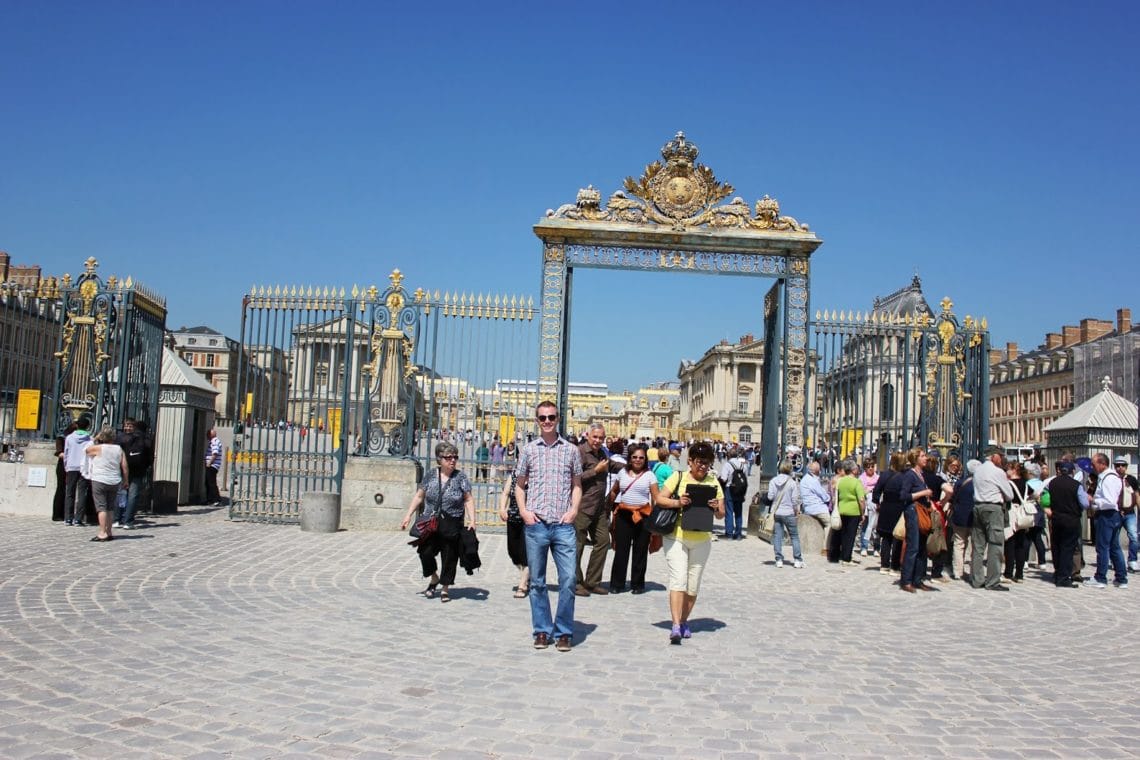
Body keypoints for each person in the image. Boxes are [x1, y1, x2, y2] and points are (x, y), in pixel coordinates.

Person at [515, 401, 583, 652]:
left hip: (563, 525)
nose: (547, 421)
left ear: (558, 418)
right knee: (538, 582)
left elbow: (577, 484)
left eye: (551, 417)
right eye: (542, 417)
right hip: (537, 524)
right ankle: (542, 630)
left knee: (568, 580)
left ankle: (563, 631)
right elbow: (520, 485)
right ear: (536, 420)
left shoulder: (571, 451)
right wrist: (524, 512)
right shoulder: (529, 450)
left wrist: (574, 510)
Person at [655, 441, 723, 644]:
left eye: (707, 462)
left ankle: (684, 621)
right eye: (700, 462)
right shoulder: (678, 477)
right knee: (679, 579)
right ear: (690, 461)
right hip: (677, 536)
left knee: (693, 586)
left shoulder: (713, 481)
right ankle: (675, 625)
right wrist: (678, 502)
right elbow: (660, 499)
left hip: (701, 539)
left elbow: (721, 515)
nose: (703, 466)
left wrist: (715, 507)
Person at [400, 442, 476, 603]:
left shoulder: (460, 477)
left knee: (449, 557)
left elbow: (468, 499)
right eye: (448, 457)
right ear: (439, 459)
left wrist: (472, 519)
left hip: (452, 523)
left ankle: (445, 587)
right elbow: (419, 496)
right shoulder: (430, 475)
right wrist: (408, 515)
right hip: (431, 522)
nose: (453, 460)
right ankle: (434, 578)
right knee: (424, 552)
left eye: (455, 457)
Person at [574, 423, 619, 596]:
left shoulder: (602, 453)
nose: (598, 440)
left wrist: (634, 466)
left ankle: (592, 582)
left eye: (601, 437)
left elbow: (612, 465)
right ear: (588, 436)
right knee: (577, 545)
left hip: (599, 507)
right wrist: (595, 470)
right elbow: (573, 477)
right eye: (595, 437)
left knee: (603, 541)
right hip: (582, 506)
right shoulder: (579, 452)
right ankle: (575, 582)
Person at [608, 444, 659, 594]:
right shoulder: (622, 473)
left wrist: (656, 516)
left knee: (640, 550)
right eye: (635, 457)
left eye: (641, 458)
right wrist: (609, 508)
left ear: (645, 459)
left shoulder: (650, 475)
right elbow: (614, 491)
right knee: (621, 550)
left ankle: (637, 584)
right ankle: (617, 583)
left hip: (643, 515)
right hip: (624, 514)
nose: (638, 460)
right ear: (630, 458)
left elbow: (656, 497)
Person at [971, 445, 1014, 591]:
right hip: (993, 508)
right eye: (1000, 456)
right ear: (994, 456)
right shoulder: (997, 472)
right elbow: (1010, 495)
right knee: (995, 544)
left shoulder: (978, 470)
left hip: (977, 506)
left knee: (978, 546)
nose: (1001, 459)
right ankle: (992, 581)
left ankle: (977, 579)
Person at [1086, 453, 1128, 589]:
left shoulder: (1108, 478)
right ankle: (1121, 578)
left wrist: (1094, 500)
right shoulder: (1110, 477)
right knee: (1114, 547)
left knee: (1103, 547)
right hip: (1113, 515)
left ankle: (1101, 577)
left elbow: (1110, 501)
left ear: (1102, 463)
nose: (1092, 467)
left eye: (1094, 464)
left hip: (1107, 514)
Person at [1043, 460, 1086, 588]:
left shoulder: (1052, 483)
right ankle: (1064, 577)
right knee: (1068, 548)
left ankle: (1057, 573)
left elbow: (1045, 498)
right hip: (1071, 519)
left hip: (1056, 518)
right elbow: (1084, 503)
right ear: (1072, 471)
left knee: (1057, 547)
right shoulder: (1076, 485)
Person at [83, 427, 128, 542]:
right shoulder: (119, 449)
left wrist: (96, 438)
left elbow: (86, 450)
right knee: (110, 507)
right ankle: (109, 531)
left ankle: (102, 532)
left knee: (101, 507)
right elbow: (124, 466)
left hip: (100, 479)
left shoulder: (98, 448)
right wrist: (126, 480)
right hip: (114, 480)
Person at [899, 448, 934, 593]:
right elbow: (904, 496)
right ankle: (906, 580)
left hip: (922, 511)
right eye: (923, 456)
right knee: (913, 546)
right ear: (915, 459)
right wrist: (923, 492)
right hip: (913, 511)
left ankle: (917, 579)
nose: (926, 458)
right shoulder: (910, 475)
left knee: (921, 548)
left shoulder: (921, 475)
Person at [115, 418, 153, 529]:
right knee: (133, 495)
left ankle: (117, 519)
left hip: (122, 468)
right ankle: (128, 521)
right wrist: (146, 466)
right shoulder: (145, 438)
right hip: (138, 469)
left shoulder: (121, 437)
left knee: (121, 493)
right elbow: (149, 455)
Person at [874, 452, 906, 576]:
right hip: (899, 507)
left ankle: (884, 564)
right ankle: (895, 566)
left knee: (886, 538)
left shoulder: (885, 475)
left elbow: (876, 491)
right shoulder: (905, 476)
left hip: (886, 506)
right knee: (897, 537)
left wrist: (877, 503)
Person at [767, 461, 803, 568]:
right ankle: (797, 559)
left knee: (778, 535)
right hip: (789, 512)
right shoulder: (792, 482)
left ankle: (778, 559)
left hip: (777, 512)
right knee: (794, 536)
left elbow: (770, 497)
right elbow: (795, 500)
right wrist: (796, 510)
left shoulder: (773, 481)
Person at [1002, 461, 1034, 583]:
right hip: (1022, 514)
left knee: (1010, 542)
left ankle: (1008, 572)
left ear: (1014, 470)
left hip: (1012, 513)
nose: (1006, 471)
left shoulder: (1009, 484)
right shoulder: (1026, 484)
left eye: (1007, 469)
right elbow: (1034, 494)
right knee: (1020, 543)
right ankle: (1019, 573)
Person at [829, 461, 865, 566]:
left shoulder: (840, 481)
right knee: (850, 535)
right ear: (854, 470)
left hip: (842, 509)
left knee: (843, 534)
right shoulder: (856, 482)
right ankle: (846, 558)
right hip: (854, 511)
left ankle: (839, 555)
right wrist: (862, 512)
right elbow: (861, 499)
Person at [499, 472, 530, 598]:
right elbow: (506, 493)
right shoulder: (514, 476)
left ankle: (522, 585)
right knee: (513, 552)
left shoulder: (536, 475)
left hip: (529, 520)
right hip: (513, 518)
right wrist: (502, 508)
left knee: (525, 553)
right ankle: (527, 573)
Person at [948, 460, 980, 581]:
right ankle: (973, 573)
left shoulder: (961, 482)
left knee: (959, 543)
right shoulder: (980, 483)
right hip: (975, 516)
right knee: (976, 546)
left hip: (960, 516)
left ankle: (957, 572)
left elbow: (954, 497)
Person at [62, 414, 93, 526]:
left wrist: (66, 466)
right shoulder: (90, 439)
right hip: (83, 467)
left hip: (71, 466)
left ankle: (68, 518)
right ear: (88, 426)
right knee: (82, 493)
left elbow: (66, 453)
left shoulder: (69, 438)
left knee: (69, 493)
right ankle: (78, 519)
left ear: (76, 425)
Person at [1113, 456, 1139, 571]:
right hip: (1116, 513)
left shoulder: (1132, 479)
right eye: (1117, 465)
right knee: (1114, 537)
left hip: (1130, 513)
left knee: (1134, 536)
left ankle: (1132, 560)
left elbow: (1137, 495)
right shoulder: (1112, 479)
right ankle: (1116, 560)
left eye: (1122, 465)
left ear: (1126, 467)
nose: (1120, 468)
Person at [800, 461, 831, 549]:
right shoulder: (813, 481)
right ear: (817, 471)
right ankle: (826, 547)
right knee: (830, 524)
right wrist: (829, 497)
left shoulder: (805, 479)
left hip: (808, 507)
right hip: (817, 508)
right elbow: (824, 496)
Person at [719, 447, 748, 540]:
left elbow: (723, 478)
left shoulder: (728, 464)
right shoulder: (743, 465)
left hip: (730, 489)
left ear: (728, 455)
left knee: (729, 511)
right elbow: (745, 478)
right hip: (740, 490)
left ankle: (729, 534)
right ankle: (738, 534)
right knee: (739, 512)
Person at [858, 457, 880, 556]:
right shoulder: (861, 478)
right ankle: (864, 547)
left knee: (877, 527)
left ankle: (876, 548)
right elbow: (862, 492)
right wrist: (870, 491)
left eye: (872, 466)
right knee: (866, 526)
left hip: (876, 505)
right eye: (868, 467)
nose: (870, 468)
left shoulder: (878, 477)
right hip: (866, 505)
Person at [204, 428, 223, 506]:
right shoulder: (215, 441)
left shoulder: (214, 442)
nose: (206, 436)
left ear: (210, 435)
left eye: (208, 434)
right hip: (213, 465)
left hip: (212, 465)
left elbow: (215, 453)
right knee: (208, 482)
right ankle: (210, 500)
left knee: (211, 483)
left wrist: (209, 462)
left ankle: (216, 500)